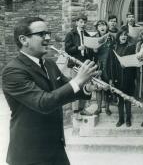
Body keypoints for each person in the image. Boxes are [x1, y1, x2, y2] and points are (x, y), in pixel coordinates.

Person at [2, 17, 99, 165]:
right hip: (29, 155)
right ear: (24, 40)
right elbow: (44, 102)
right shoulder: (13, 71)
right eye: (42, 34)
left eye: (48, 33)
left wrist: (87, 86)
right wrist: (79, 79)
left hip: (56, 149)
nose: (48, 38)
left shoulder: (49, 64)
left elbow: (65, 91)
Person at [64, 14, 94, 117]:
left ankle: (83, 108)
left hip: (84, 64)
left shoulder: (87, 34)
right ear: (76, 22)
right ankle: (75, 111)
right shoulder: (71, 34)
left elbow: (89, 51)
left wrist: (93, 48)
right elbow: (67, 49)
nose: (83, 24)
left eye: (84, 22)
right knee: (76, 86)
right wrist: (78, 48)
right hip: (75, 64)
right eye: (81, 22)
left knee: (85, 87)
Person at [109, 29, 136, 127]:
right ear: (118, 37)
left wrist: (127, 64)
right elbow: (111, 64)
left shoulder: (131, 47)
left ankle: (128, 119)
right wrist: (111, 78)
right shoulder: (114, 47)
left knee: (127, 98)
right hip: (117, 76)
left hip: (128, 76)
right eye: (121, 35)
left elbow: (134, 62)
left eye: (125, 35)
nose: (123, 37)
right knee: (120, 99)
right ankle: (121, 119)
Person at [92, 20, 113, 116]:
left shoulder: (111, 37)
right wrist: (94, 49)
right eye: (100, 25)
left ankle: (107, 107)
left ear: (107, 27)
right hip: (98, 64)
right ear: (97, 28)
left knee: (107, 87)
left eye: (103, 25)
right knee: (98, 87)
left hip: (109, 64)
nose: (102, 27)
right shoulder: (95, 38)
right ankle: (99, 108)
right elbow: (91, 53)